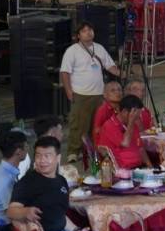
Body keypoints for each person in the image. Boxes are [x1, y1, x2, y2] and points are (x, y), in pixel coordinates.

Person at [59, 23, 121, 162]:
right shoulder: (72, 51)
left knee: (97, 123)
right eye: (84, 31)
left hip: (99, 94)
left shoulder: (99, 48)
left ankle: (94, 150)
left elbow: (109, 65)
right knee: (79, 124)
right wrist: (69, 91)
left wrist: (120, 72)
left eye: (90, 30)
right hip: (80, 93)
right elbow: (65, 72)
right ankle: (73, 152)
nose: (88, 33)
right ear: (78, 35)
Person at [96, 95, 148, 171]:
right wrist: (131, 122)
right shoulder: (109, 125)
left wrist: (150, 168)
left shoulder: (133, 124)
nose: (137, 119)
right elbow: (125, 143)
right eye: (135, 116)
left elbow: (141, 149)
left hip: (138, 168)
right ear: (124, 112)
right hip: (121, 170)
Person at [89, 79, 124, 149]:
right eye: (113, 90)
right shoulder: (102, 110)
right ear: (105, 95)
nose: (117, 92)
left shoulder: (122, 108)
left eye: (119, 90)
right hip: (105, 145)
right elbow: (96, 131)